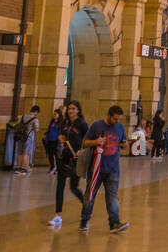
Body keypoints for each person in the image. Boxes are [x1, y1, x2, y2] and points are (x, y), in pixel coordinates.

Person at [80, 105, 130, 233]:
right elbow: (85, 142)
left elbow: (125, 144)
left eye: (119, 119)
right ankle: (84, 220)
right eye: (114, 119)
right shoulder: (97, 125)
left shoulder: (120, 127)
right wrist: (96, 141)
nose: (117, 122)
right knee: (90, 195)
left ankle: (114, 223)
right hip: (96, 168)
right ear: (108, 115)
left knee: (112, 196)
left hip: (113, 168)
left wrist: (124, 145)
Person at [48, 100, 87, 227]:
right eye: (69, 108)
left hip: (76, 159)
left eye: (73, 108)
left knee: (73, 187)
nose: (71, 111)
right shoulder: (64, 122)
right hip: (63, 157)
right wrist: (61, 138)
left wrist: (81, 151)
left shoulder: (82, 124)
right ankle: (58, 215)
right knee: (60, 185)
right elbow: (61, 134)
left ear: (78, 110)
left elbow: (87, 140)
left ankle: (86, 203)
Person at [13, 105, 40, 175]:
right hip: (28, 138)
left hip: (20, 136)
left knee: (19, 152)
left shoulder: (23, 116)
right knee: (26, 153)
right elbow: (36, 129)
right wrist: (35, 129)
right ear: (36, 112)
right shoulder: (35, 119)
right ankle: (24, 168)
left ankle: (18, 167)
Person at [45, 108, 62, 173]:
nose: (54, 115)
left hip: (56, 141)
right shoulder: (52, 121)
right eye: (54, 114)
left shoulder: (60, 123)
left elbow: (61, 132)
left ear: (59, 115)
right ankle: (52, 166)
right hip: (50, 140)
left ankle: (57, 167)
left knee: (56, 154)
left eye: (55, 114)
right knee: (50, 154)